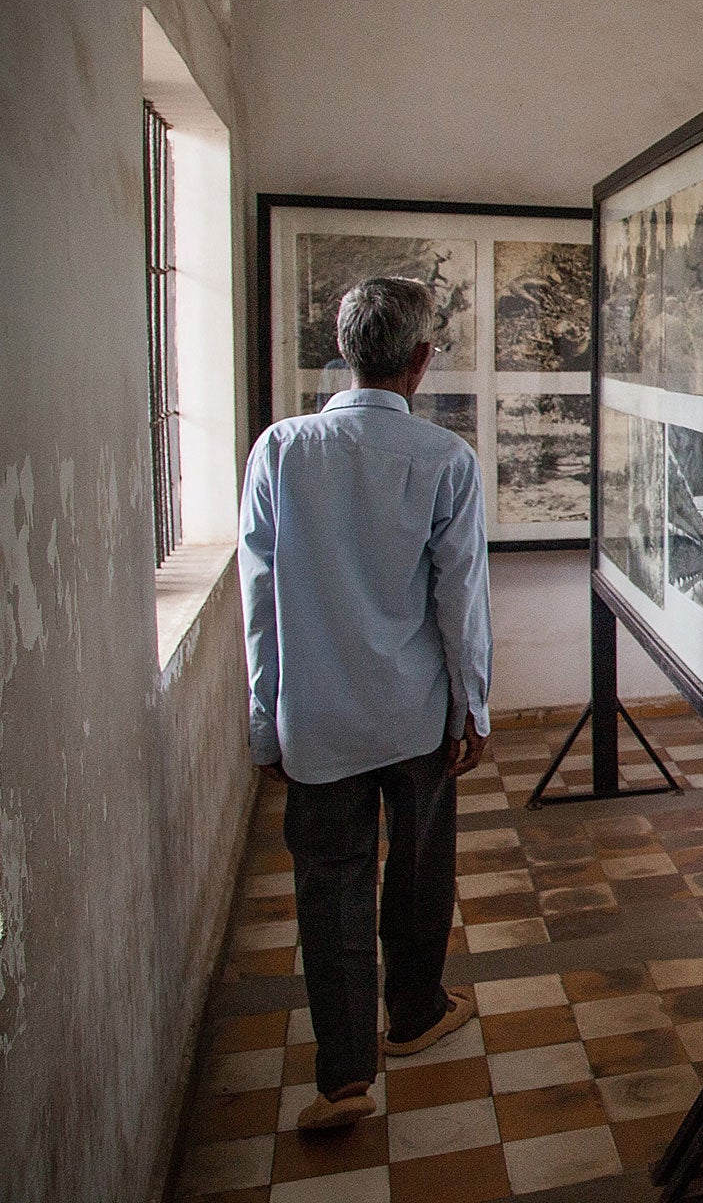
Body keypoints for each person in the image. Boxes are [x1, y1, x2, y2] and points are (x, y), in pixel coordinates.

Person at [239, 277, 490, 1131]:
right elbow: (459, 604)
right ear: (421, 362)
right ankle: (414, 1014)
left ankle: (345, 1074)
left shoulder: (280, 451)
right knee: (420, 870)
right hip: (414, 714)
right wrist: (473, 711)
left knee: (330, 883)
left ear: (346, 351)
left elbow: (260, 600)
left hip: (318, 720)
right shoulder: (444, 462)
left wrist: (262, 719)